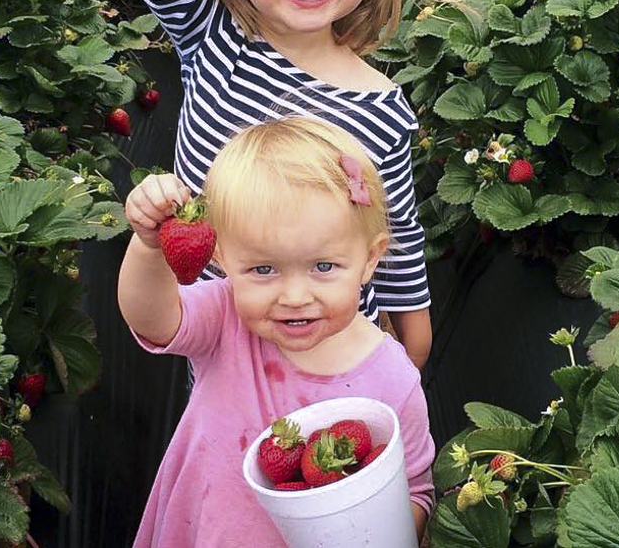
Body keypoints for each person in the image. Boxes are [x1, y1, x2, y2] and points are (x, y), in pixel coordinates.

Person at [124, 0, 453, 369]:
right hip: (221, 334)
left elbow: (397, 241)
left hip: (334, 347)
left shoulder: (380, 109)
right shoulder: (217, 36)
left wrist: (411, 351)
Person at [118, 116, 436, 547]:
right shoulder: (225, 319)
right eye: (263, 270)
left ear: (369, 259)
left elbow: (415, 491)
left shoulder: (393, 380)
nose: (294, 295)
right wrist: (150, 245)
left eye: (323, 267)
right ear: (222, 260)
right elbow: (150, 317)